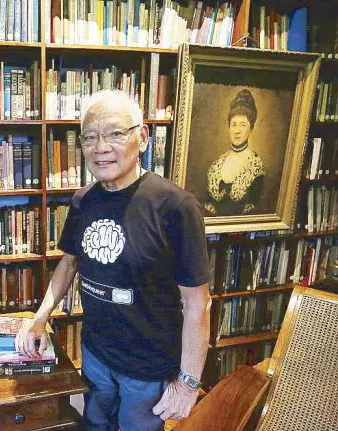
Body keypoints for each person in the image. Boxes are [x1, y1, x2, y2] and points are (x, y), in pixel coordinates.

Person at [15, 89, 211, 431]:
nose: (100, 147)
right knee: (94, 425)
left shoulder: (176, 207)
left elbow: (198, 305)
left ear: (143, 137)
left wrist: (189, 383)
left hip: (147, 370)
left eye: (115, 134)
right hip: (95, 355)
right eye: (90, 137)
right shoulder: (82, 201)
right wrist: (39, 318)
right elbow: (68, 264)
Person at [205, 88, 265, 216]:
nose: (237, 130)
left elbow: (255, 207)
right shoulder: (217, 164)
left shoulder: (255, 164)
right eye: (234, 124)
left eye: (243, 125)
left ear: (251, 129)